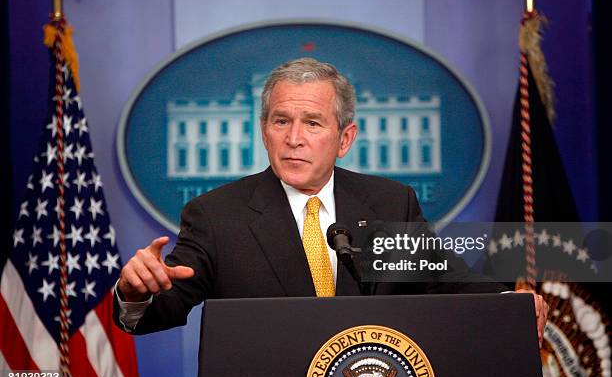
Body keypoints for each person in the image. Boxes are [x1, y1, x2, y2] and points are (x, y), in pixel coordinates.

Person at [113, 57, 547, 343]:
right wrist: (135, 293)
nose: (294, 139)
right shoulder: (216, 216)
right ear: (265, 130)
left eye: (313, 123)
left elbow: (452, 282)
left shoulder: (391, 204)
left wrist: (511, 301)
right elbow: (161, 308)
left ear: (345, 139)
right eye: (281, 121)